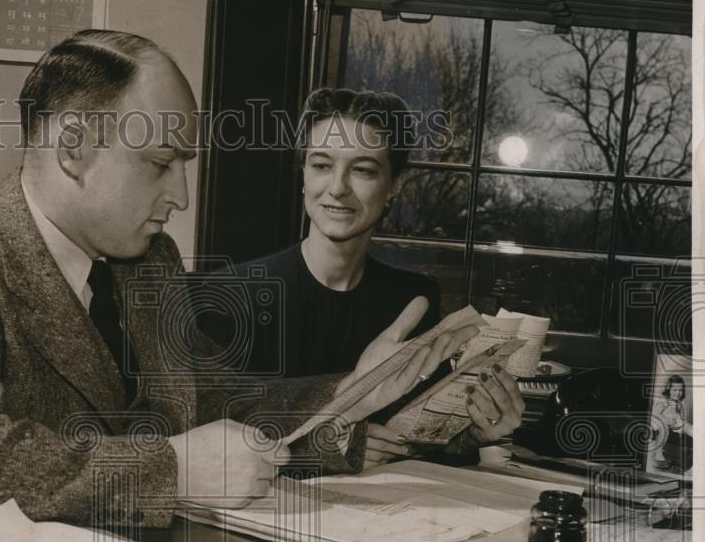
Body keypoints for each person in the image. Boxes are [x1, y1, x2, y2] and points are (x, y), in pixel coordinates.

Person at [0, 32, 477, 530]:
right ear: (73, 149)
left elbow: (212, 397)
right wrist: (173, 471)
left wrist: (349, 393)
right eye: (162, 164)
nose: (181, 197)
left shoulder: (146, 258)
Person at [199, 88, 523, 467]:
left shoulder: (412, 301)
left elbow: (416, 442)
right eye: (321, 165)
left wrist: (472, 437)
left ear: (395, 186)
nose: (337, 187)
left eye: (364, 170)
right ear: (303, 175)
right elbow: (205, 443)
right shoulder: (227, 295)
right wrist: (330, 447)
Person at [652, 374, 693, 474]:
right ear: (668, 390)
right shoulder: (664, 401)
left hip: (677, 425)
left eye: (680, 390)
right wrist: (666, 420)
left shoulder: (679, 403)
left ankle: (695, 463)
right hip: (664, 424)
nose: (678, 393)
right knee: (664, 427)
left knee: (691, 428)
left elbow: (680, 417)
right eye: (674, 390)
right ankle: (658, 454)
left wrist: (683, 422)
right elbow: (655, 414)